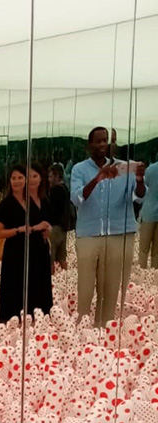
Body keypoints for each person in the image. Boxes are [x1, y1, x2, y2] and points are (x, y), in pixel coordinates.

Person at [70, 126, 142, 326]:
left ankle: (105, 328)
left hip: (118, 234)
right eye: (99, 141)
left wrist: (139, 179)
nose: (103, 145)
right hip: (89, 234)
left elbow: (138, 197)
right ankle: (82, 329)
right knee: (85, 287)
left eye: (107, 141)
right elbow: (77, 198)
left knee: (111, 289)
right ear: (90, 144)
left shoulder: (125, 168)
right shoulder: (79, 169)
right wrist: (98, 178)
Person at [0, 164, 52, 324]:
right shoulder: (6, 204)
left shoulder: (31, 201)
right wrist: (18, 230)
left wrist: (46, 229)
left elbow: (42, 222)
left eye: (20, 177)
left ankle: (34, 318)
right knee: (14, 286)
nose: (17, 181)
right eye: (13, 178)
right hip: (14, 252)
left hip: (34, 251)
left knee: (33, 286)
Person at [46, 164, 71, 271]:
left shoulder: (55, 190)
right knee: (62, 258)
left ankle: (50, 278)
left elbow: (52, 211)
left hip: (54, 228)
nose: (49, 180)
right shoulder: (65, 188)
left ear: (57, 176)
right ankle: (65, 276)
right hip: (63, 228)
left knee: (50, 258)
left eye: (51, 177)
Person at [138, 159, 158, 269]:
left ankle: (141, 272)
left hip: (149, 211)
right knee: (157, 250)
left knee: (143, 248)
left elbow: (144, 187)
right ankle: (155, 273)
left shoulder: (150, 170)